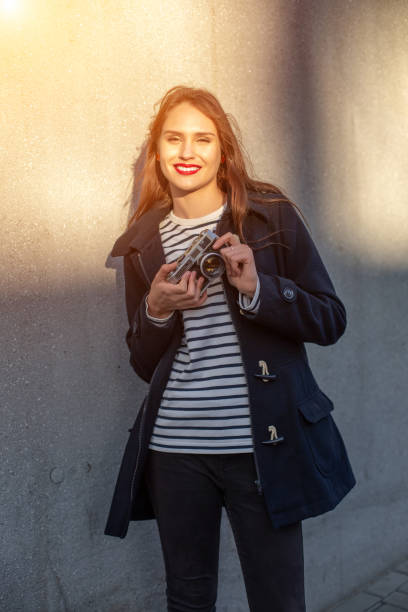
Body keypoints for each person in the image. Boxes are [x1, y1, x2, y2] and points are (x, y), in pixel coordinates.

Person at [105, 85, 356, 612]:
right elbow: (142, 362)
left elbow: (330, 318)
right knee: (188, 598)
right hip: (175, 450)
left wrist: (258, 289)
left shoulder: (268, 214)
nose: (187, 151)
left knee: (279, 600)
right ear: (157, 152)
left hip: (262, 447)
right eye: (174, 139)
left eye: (203, 139)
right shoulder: (142, 242)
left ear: (223, 151)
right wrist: (156, 309)